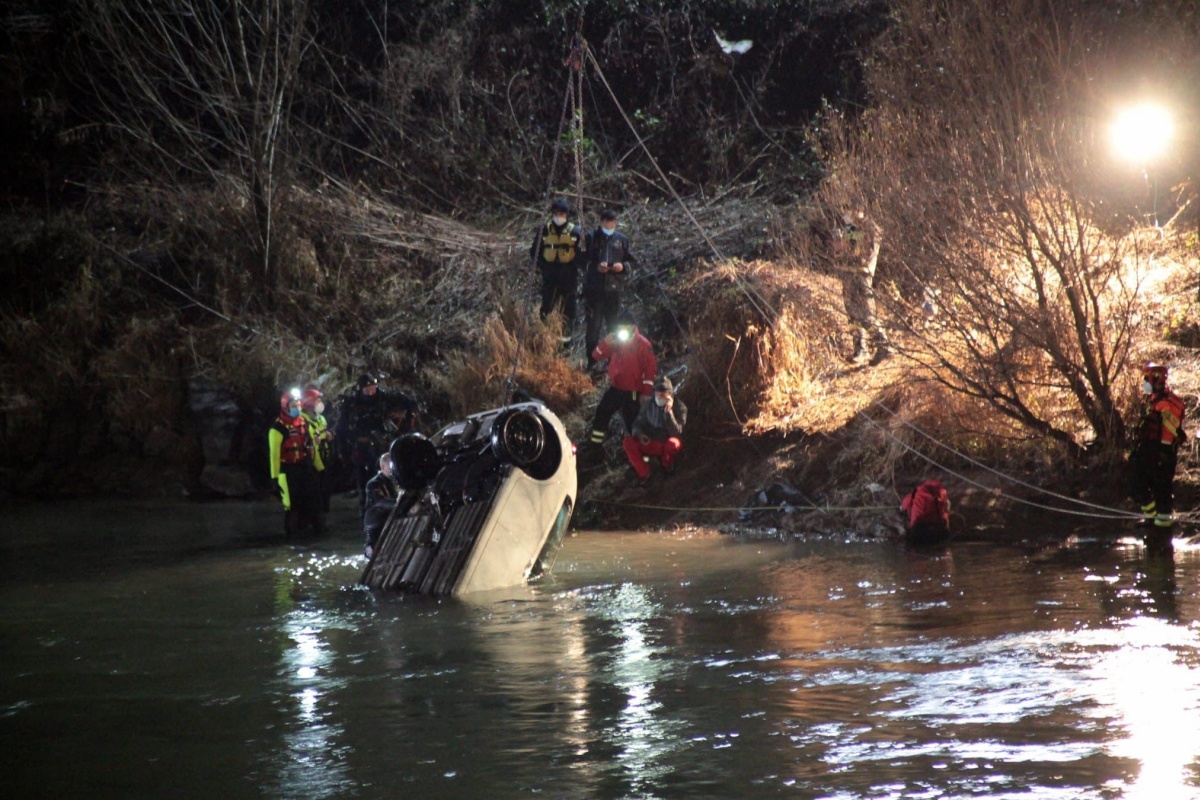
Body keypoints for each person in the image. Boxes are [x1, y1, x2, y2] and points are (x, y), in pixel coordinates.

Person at [335, 373, 418, 517]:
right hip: (361, 448)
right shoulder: (352, 403)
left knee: (387, 478)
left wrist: (406, 423)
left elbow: (410, 403)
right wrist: (341, 451)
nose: (370, 391)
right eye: (367, 389)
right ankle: (366, 513)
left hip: (382, 447)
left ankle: (389, 509)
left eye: (372, 387)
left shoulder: (385, 398)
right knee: (363, 483)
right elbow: (341, 428)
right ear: (361, 389)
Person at [1130, 363, 1186, 538]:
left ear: (1156, 379)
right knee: (1137, 485)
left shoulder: (1168, 404)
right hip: (1149, 451)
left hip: (1162, 453)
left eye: (1146, 379)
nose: (1144, 383)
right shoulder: (1154, 402)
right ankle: (1151, 519)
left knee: (1161, 491)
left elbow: (1169, 431)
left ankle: (1162, 530)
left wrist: (1163, 453)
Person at [586, 310, 656, 447]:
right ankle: (595, 444)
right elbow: (596, 355)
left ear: (632, 326)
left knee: (631, 419)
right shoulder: (615, 341)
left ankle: (639, 450)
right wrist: (605, 343)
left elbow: (650, 370)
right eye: (620, 327)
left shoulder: (643, 345)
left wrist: (646, 393)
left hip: (634, 391)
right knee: (603, 411)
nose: (623, 329)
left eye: (626, 326)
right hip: (616, 388)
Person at [833, 208, 890, 365]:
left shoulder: (870, 228)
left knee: (866, 314)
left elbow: (858, 253)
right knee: (852, 314)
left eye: (850, 210)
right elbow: (839, 254)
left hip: (861, 275)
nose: (847, 214)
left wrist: (848, 234)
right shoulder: (850, 227)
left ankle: (883, 344)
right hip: (849, 274)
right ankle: (861, 348)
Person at [268, 388, 325, 538]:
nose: (297, 408)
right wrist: (274, 480)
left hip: (304, 468)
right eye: (294, 406)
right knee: (292, 507)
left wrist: (320, 469)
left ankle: (315, 535)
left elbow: (312, 447)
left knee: (314, 504)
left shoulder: (304, 423)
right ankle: (292, 539)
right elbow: (274, 456)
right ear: (285, 407)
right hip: (287, 471)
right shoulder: (277, 429)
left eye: (299, 405)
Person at [583, 208, 636, 367]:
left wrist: (623, 267)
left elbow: (632, 262)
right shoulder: (590, 238)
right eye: (607, 224)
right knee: (593, 327)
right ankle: (591, 361)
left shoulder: (622, 240)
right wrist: (596, 267)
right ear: (601, 222)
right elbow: (582, 261)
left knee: (613, 326)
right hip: (595, 290)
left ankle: (613, 361)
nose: (610, 227)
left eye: (613, 224)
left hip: (614, 290)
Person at [531, 197, 584, 344]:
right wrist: (544, 267)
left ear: (566, 214)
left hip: (569, 277)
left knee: (569, 311)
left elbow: (583, 254)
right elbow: (534, 252)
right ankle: (546, 341)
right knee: (546, 309)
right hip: (550, 276)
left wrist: (574, 266)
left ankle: (566, 344)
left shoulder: (576, 232)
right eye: (556, 213)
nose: (559, 216)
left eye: (562, 213)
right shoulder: (545, 231)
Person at [623, 375, 687, 482]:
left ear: (670, 394)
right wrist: (640, 434)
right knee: (627, 442)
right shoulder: (649, 404)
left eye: (663, 394)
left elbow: (676, 433)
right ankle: (645, 474)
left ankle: (667, 466)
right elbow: (638, 423)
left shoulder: (680, 407)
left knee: (674, 443)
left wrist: (669, 412)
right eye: (657, 393)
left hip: (666, 442)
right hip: (650, 441)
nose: (659, 396)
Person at [301, 387, 334, 513]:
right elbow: (312, 442)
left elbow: (323, 433)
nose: (320, 402)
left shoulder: (320, 418)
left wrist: (329, 434)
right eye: (317, 399)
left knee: (325, 491)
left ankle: (324, 514)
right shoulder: (303, 421)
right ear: (309, 402)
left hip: (325, 460)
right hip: (315, 464)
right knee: (316, 493)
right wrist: (320, 467)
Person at [363, 453, 399, 559]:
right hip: (376, 524)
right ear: (383, 467)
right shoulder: (373, 484)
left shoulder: (395, 481)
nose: (394, 470)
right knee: (374, 553)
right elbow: (380, 501)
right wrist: (398, 502)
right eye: (391, 467)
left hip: (389, 520)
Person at [899, 479, 951, 547]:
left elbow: (912, 512)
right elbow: (944, 513)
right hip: (938, 530)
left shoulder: (919, 494)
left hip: (919, 531)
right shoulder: (942, 494)